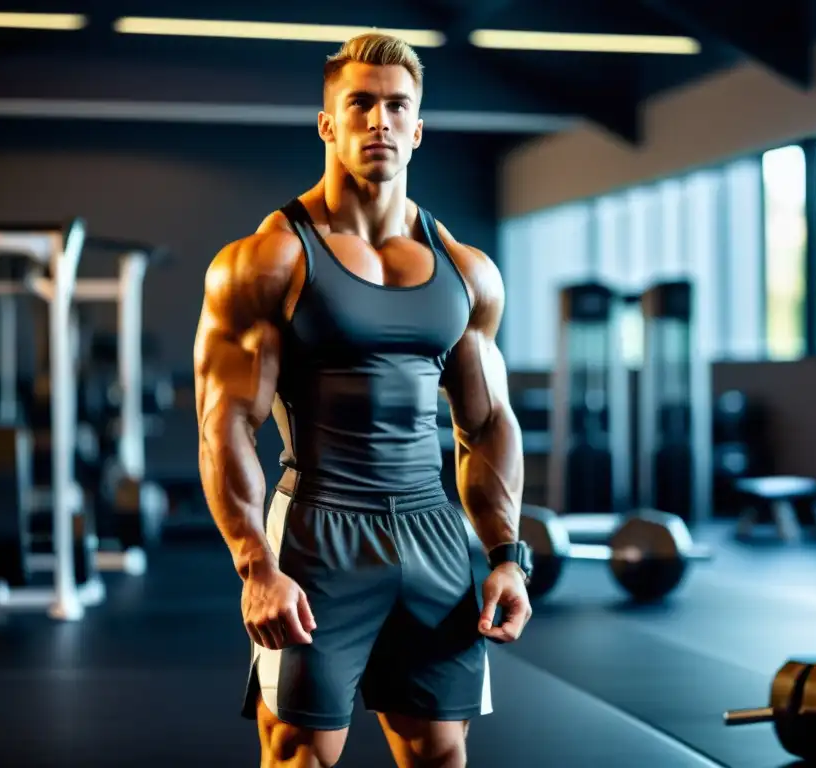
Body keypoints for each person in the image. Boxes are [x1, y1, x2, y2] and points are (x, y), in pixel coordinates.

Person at [193, 31, 535, 768]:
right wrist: (255, 564)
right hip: (318, 535)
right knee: (299, 755)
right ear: (329, 123)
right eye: (362, 104)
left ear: (419, 129)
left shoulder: (467, 272)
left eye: (397, 107)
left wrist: (508, 555)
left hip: (434, 533)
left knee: (442, 755)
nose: (380, 121)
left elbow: (486, 422)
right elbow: (227, 423)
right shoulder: (268, 260)